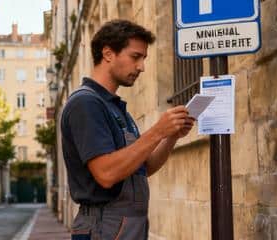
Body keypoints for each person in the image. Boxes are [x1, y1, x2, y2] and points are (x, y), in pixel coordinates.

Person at [60, 20, 195, 240]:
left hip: (128, 225)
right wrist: (157, 131)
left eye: (144, 58)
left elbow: (144, 167)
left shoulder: (114, 107)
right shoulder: (85, 104)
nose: (141, 67)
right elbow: (106, 174)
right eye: (135, 57)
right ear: (108, 54)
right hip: (104, 226)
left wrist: (171, 136)